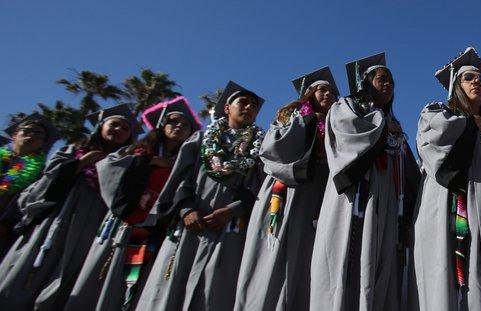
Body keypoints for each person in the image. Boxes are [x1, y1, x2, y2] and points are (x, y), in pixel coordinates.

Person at [136, 81, 265, 311]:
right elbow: (181, 178)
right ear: (227, 107)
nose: (248, 108)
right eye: (242, 102)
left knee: (214, 292)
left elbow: (257, 188)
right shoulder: (201, 139)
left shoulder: (259, 147)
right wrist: (186, 209)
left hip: (229, 228)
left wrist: (231, 211)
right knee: (169, 288)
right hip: (189, 224)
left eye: (254, 106)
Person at [308, 53, 420, 310]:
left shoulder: (395, 126)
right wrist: (382, 128)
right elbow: (349, 139)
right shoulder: (344, 107)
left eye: (392, 80)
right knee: (346, 261)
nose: (388, 84)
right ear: (365, 83)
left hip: (386, 205)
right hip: (354, 199)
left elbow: (409, 173)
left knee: (380, 267)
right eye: (382, 78)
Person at [64, 97, 199, 310]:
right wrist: (151, 161)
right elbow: (110, 167)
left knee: (134, 280)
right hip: (121, 222)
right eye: (174, 122)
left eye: (185, 125)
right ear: (162, 125)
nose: (179, 127)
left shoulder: (186, 161)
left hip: (154, 228)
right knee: (102, 272)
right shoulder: (139, 149)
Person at [0, 104, 138, 310]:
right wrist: (82, 162)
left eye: (125, 129)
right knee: (30, 268)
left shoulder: (128, 163)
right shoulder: (74, 150)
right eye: (114, 124)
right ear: (101, 127)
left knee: (69, 275)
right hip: (56, 218)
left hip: (93, 226)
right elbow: (46, 183)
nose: (118, 130)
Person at [411, 47, 481, 310]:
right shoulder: (436, 112)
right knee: (448, 280)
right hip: (449, 207)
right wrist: (470, 125)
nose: (477, 81)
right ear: (456, 85)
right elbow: (435, 146)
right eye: (469, 78)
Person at [235, 67, 338, 310]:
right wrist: (309, 123)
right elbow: (272, 150)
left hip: (316, 196)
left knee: (305, 261)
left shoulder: (338, 125)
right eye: (321, 89)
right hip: (285, 192)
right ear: (309, 93)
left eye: (332, 91)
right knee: (273, 258)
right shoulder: (292, 117)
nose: (328, 94)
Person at [0, 113, 60, 257]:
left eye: (38, 134)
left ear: (43, 143)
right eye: (26, 131)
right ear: (14, 135)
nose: (31, 136)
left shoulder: (41, 172)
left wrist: (6, 224)